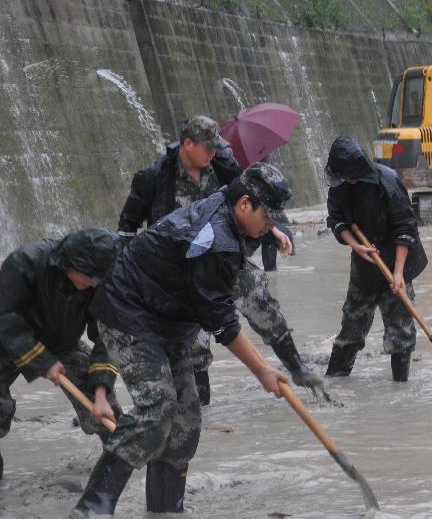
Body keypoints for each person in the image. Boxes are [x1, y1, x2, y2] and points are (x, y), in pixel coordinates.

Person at [71, 164, 291, 517]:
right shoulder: (214, 241)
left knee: (186, 422)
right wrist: (264, 371)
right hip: (129, 314)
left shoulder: (230, 203)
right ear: (246, 204)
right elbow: (222, 324)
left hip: (168, 322)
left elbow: (218, 306)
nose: (272, 226)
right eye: (269, 217)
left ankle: (164, 509)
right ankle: (91, 509)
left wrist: (269, 230)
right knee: (156, 410)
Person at [117, 115, 320, 404]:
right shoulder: (153, 177)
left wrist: (272, 228)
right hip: (183, 269)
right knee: (195, 341)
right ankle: (202, 402)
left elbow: (251, 198)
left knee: (262, 301)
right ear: (187, 144)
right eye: (207, 148)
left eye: (216, 148)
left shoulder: (222, 166)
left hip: (225, 257)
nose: (213, 153)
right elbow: (126, 227)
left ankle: (296, 366)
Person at [0, 228, 122, 480]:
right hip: (6, 341)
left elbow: (106, 335)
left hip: (61, 343)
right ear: (71, 263)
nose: (92, 284)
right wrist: (40, 360)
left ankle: (117, 466)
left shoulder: (99, 281)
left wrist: (100, 393)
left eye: (98, 280)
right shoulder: (26, 262)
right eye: (89, 277)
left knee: (107, 408)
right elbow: (4, 316)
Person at [323, 136, 427, 382]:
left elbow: (405, 228)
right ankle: (335, 382)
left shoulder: (387, 182)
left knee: (400, 332)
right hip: (365, 266)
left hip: (397, 262)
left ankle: (400, 388)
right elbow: (336, 220)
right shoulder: (338, 187)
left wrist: (399, 273)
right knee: (351, 329)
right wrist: (355, 246)